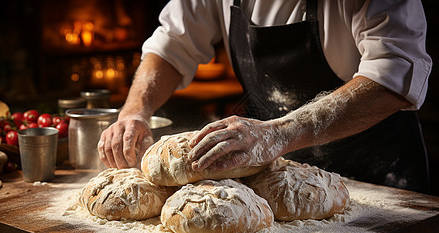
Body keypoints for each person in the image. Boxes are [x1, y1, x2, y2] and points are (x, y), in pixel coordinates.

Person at [98, 0, 432, 193]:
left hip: (379, 180)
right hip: (283, 179)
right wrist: (135, 111)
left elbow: (392, 74)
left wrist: (278, 134)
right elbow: (172, 44)